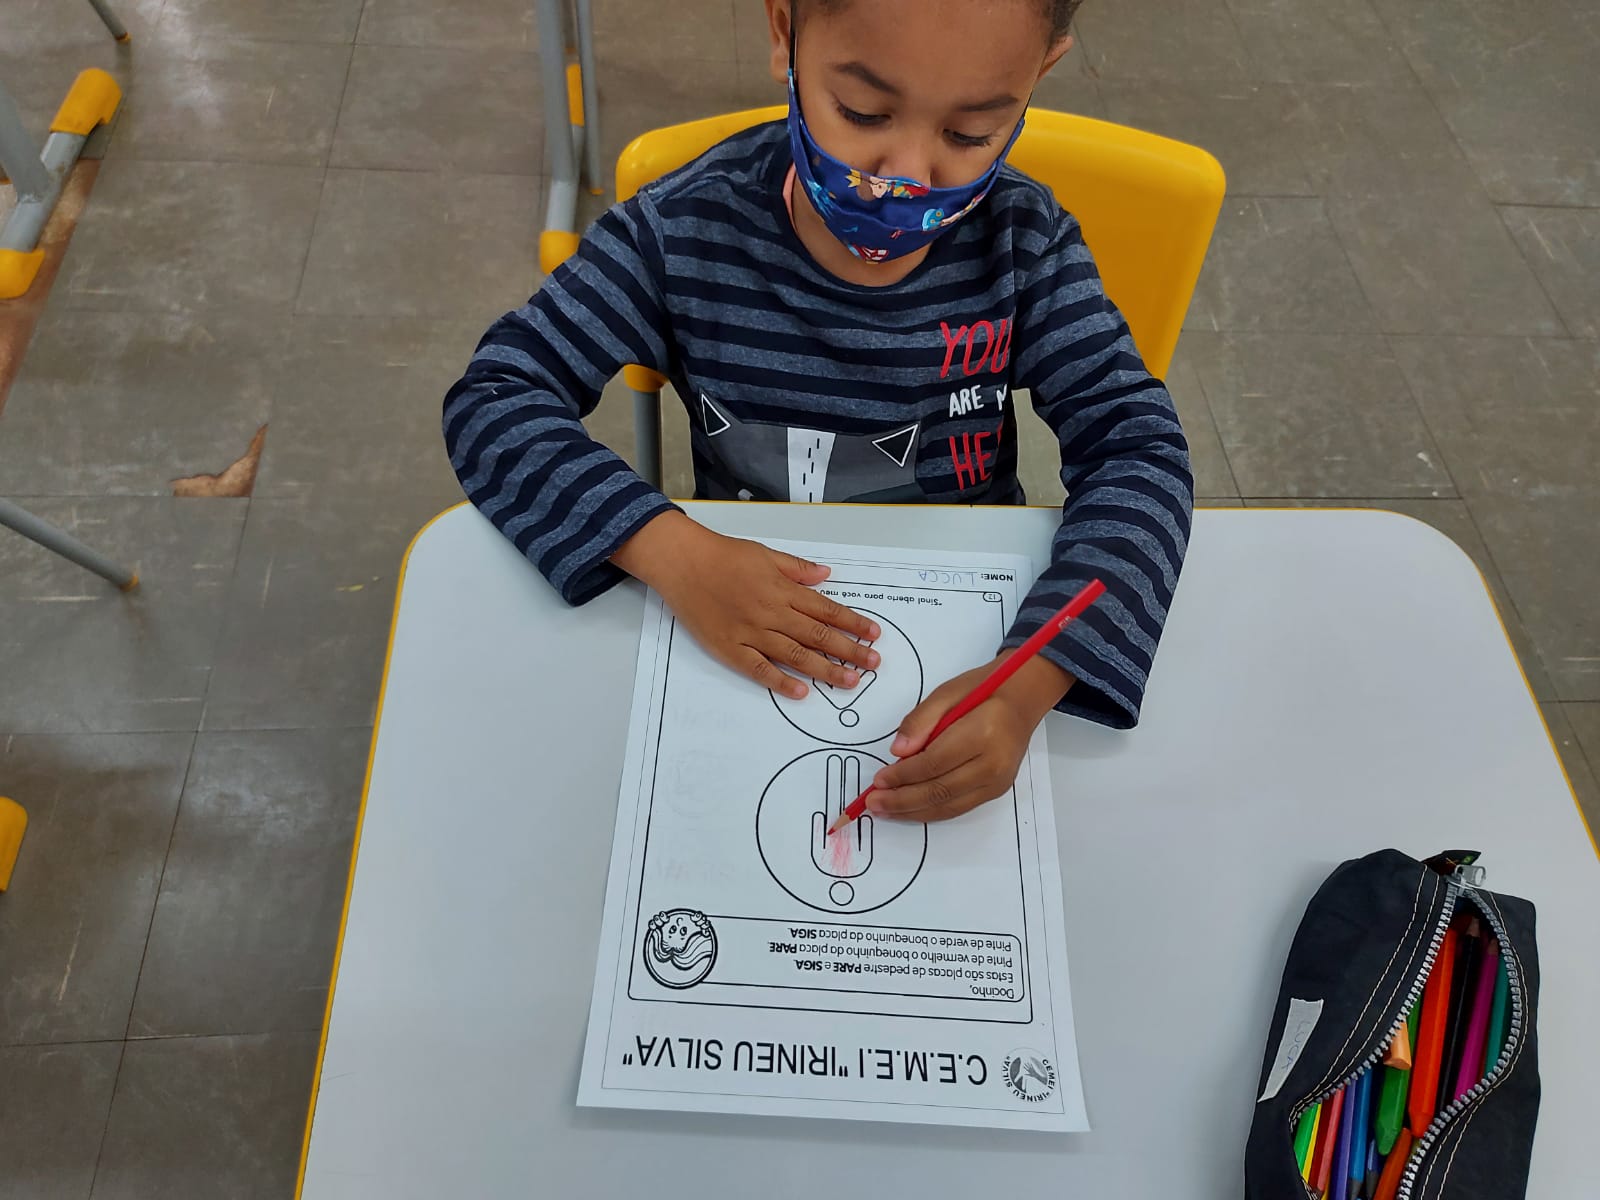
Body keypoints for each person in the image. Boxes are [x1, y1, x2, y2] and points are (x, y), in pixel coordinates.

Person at [442, 0, 1192, 823]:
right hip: (729, 606)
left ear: (1039, 74)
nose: (906, 175)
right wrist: (673, 553)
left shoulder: (1026, 247)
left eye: (970, 133)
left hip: (971, 629)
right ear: (784, 31)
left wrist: (1033, 677)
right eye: (863, 112)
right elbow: (496, 398)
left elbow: (1139, 452)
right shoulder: (683, 231)